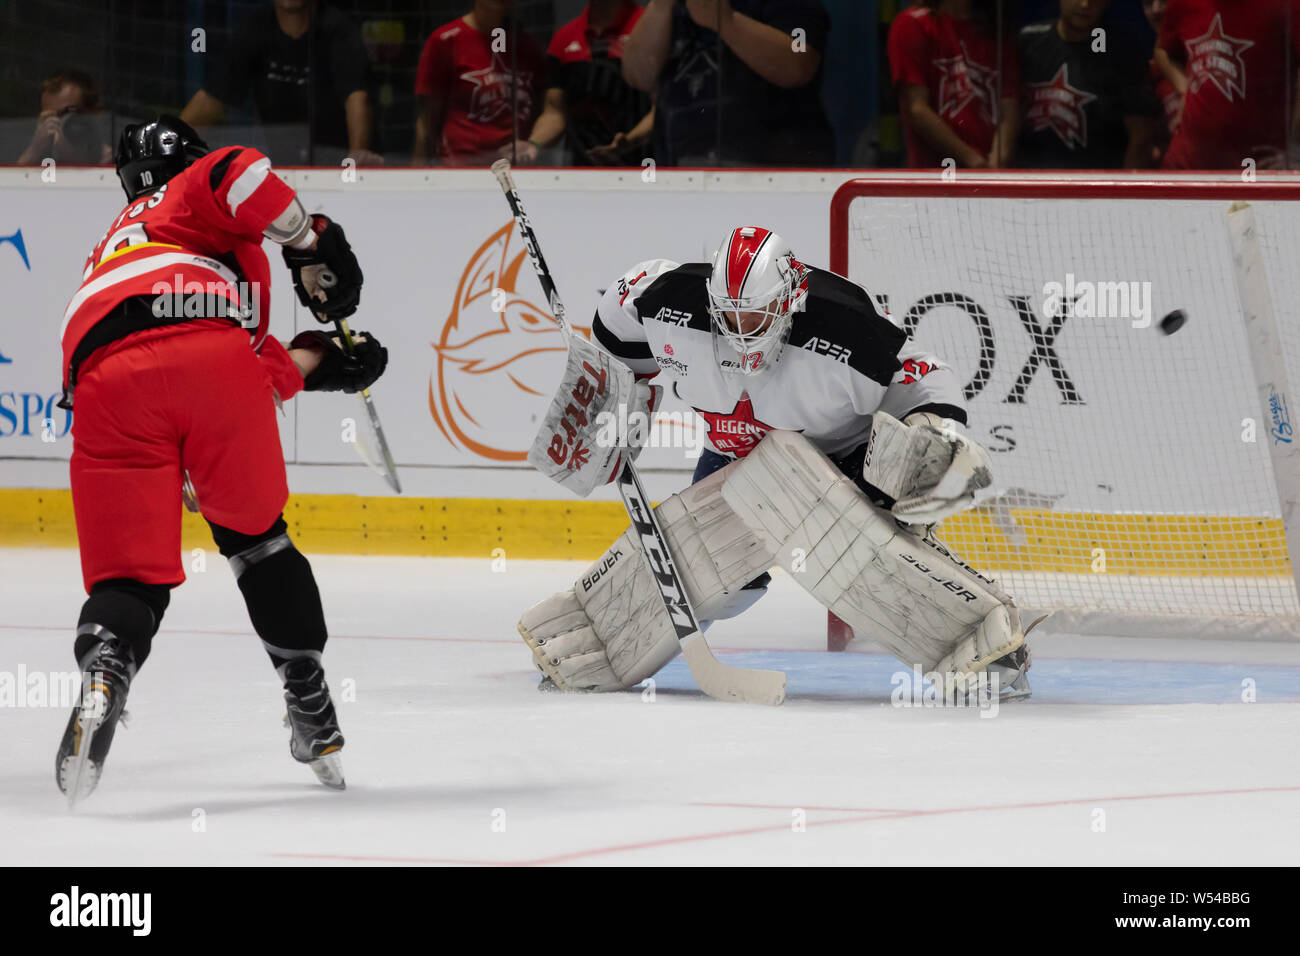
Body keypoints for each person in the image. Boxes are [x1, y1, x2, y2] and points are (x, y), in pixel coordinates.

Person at [516, 226, 1032, 701]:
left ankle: (994, 661)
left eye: (755, 317)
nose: (740, 333)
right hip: (734, 455)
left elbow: (923, 374)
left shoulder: (846, 325)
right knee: (711, 573)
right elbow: (616, 318)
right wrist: (607, 392)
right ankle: (601, 648)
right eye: (729, 317)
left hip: (838, 461)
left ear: (790, 300)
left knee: (870, 568)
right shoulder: (669, 300)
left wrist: (930, 433)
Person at [55, 115, 388, 803]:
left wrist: (317, 363)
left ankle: (106, 672)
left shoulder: (118, 244)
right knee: (259, 542)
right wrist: (311, 238)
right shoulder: (187, 192)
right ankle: (310, 704)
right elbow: (239, 172)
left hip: (101, 376)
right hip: (213, 363)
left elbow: (183, 334)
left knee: (129, 578)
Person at [620, 0, 835, 166]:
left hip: (766, 174)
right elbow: (636, 75)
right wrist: (660, 6)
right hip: (679, 174)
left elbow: (797, 64)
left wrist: (728, 23)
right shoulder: (672, 7)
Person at [179, 0, 379, 166]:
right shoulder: (255, 29)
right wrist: (169, 143)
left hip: (337, 168)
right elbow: (212, 100)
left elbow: (357, 99)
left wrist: (356, 156)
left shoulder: (339, 30)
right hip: (284, 168)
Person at [1154, 0, 1300, 170]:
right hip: (1188, 162)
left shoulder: (1286, 6)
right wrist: (1185, 90)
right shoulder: (1183, 4)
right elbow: (1164, 51)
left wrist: (1294, 150)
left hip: (1255, 166)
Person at [1017, 0, 1159, 168]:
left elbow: (1140, 139)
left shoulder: (1121, 52)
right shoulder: (1028, 41)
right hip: (1030, 179)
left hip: (1096, 183)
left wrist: (1124, 191)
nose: (1085, 5)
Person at [509, 0, 654, 166]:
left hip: (646, 167)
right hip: (582, 169)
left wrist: (630, 141)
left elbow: (661, 107)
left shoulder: (649, 26)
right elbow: (555, 113)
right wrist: (532, 145)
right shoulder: (564, 38)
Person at [888, 0, 1019, 169]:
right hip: (935, 176)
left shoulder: (997, 32)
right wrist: (975, 162)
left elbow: (1009, 110)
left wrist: (995, 166)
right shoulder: (914, 24)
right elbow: (916, 108)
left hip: (990, 174)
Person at [413, 0, 546, 166]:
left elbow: (544, 112)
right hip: (461, 171)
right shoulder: (446, 41)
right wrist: (418, 176)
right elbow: (427, 122)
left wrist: (533, 145)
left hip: (516, 169)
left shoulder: (528, 48)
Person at [16, 70, 112, 166]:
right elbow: (15, 179)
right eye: (50, 118)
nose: (58, 123)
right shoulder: (46, 171)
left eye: (67, 113)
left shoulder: (116, 167)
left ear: (93, 115)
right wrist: (35, 150)